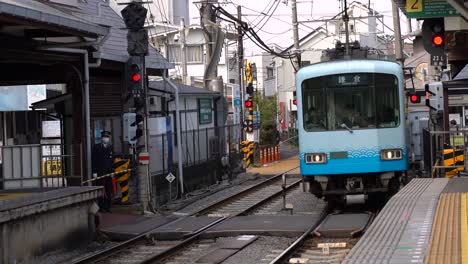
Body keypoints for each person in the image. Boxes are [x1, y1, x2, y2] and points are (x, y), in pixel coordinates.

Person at [92, 130, 114, 212]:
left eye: (107, 137)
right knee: (101, 189)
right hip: (99, 172)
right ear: (101, 138)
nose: (106, 138)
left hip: (108, 172)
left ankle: (108, 207)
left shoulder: (110, 147)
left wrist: (112, 171)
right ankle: (101, 207)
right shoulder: (97, 147)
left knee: (108, 190)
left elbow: (112, 161)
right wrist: (94, 171)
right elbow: (94, 160)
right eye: (104, 137)